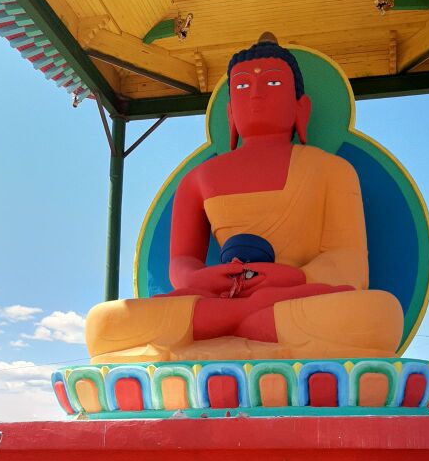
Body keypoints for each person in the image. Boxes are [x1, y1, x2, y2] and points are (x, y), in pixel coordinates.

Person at [86, 34, 403, 364]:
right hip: (224, 298)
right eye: (241, 86)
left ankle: (227, 329)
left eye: (273, 83)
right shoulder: (198, 178)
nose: (255, 94)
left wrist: (291, 278)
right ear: (229, 112)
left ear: (301, 107)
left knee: (378, 313)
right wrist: (201, 279)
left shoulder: (332, 170)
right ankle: (250, 323)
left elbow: (349, 264)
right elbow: (182, 264)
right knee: (103, 322)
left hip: (295, 296)